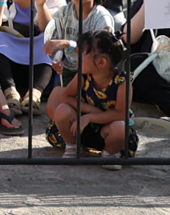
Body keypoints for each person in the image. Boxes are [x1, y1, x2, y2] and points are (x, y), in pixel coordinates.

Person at [44, 27, 136, 160]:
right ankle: (74, 146)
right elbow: (66, 97)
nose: (78, 57)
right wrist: (90, 111)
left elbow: (120, 114)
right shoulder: (83, 76)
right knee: (62, 110)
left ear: (101, 62)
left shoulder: (122, 82)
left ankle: (110, 153)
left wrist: (90, 117)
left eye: (83, 53)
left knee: (120, 128)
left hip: (108, 129)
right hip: (81, 127)